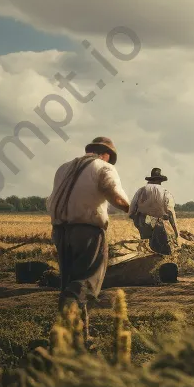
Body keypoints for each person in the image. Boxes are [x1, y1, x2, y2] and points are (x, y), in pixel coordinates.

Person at [47, 136, 130, 341]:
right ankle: (71, 321)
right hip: (88, 230)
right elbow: (115, 196)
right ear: (107, 155)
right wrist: (131, 208)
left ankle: (75, 336)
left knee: (69, 281)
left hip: (60, 231)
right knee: (87, 281)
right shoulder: (104, 167)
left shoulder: (63, 168)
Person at [129, 168, 179, 255]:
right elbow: (170, 212)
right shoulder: (165, 192)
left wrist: (137, 222)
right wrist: (176, 231)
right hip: (156, 221)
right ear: (160, 180)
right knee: (161, 246)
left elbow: (131, 210)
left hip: (142, 220)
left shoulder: (141, 190)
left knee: (146, 243)